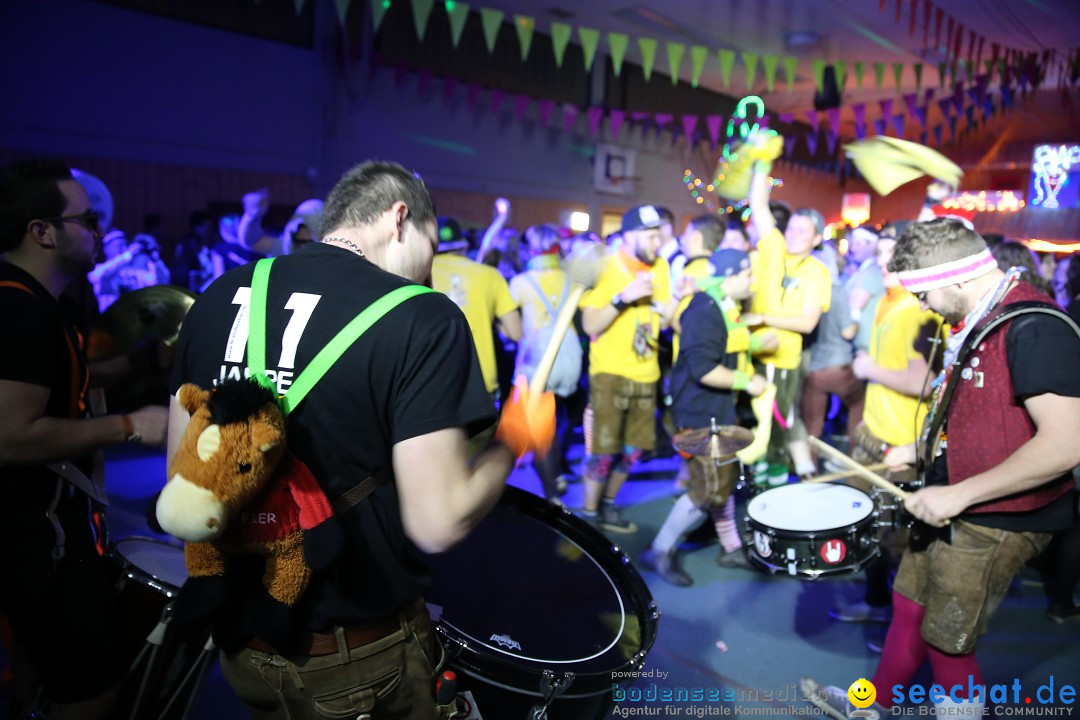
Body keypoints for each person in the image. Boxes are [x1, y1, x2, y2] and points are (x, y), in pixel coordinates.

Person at [167, 160, 548, 719]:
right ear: (399, 218)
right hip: (358, 655)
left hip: (242, 642)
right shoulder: (422, 315)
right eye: (432, 246)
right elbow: (438, 522)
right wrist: (515, 438)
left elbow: (180, 473)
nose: (431, 269)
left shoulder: (221, 293)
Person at [803, 218, 1080, 720]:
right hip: (953, 494)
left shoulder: (1034, 328)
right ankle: (871, 705)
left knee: (948, 638)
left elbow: (1067, 443)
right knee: (909, 607)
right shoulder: (978, 317)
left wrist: (960, 493)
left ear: (958, 279)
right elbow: (982, 412)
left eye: (925, 293)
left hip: (997, 516)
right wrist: (921, 447)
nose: (922, 306)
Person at [0, 158, 168, 720]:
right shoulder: (21, 311)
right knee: (90, 688)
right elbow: (11, 436)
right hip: (32, 542)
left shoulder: (38, 304)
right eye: (87, 219)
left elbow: (49, 379)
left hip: (40, 534)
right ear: (41, 231)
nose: (99, 230)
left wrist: (135, 364)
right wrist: (131, 424)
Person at [828, 231, 943, 633]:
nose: (882, 260)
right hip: (874, 436)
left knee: (893, 539)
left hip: (899, 447)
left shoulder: (919, 310)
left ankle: (899, 626)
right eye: (879, 253)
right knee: (869, 529)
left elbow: (925, 383)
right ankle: (877, 605)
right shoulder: (885, 302)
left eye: (892, 254)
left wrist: (869, 370)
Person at [638, 249, 769, 584]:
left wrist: (753, 343)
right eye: (747, 275)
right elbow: (703, 368)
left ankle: (731, 547)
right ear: (729, 277)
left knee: (721, 483)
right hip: (701, 413)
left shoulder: (721, 305)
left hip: (716, 409)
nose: (752, 282)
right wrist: (747, 382)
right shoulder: (705, 311)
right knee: (706, 490)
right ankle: (659, 550)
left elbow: (723, 347)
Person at [579, 205, 685, 533]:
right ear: (630, 235)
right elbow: (589, 324)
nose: (658, 241)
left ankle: (608, 507)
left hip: (647, 373)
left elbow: (665, 319)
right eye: (652, 235)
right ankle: (588, 514)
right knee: (603, 452)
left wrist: (678, 299)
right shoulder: (604, 268)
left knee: (632, 451)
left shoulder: (662, 268)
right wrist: (623, 298)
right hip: (609, 374)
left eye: (660, 235)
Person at [747, 144, 832, 484]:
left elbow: (808, 322)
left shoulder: (817, 271)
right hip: (755, 352)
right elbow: (757, 204)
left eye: (802, 231)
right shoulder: (773, 250)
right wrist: (762, 163)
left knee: (778, 423)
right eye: (791, 228)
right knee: (757, 420)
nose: (793, 235)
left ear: (817, 238)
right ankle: (761, 475)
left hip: (783, 361)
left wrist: (765, 319)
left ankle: (775, 482)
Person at [508, 223, 583, 504]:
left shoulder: (521, 282)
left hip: (538, 358)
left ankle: (552, 494)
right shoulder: (570, 278)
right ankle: (560, 471)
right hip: (570, 353)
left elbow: (509, 323)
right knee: (563, 416)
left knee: (541, 431)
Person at [431, 215, 522, 404]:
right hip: (480, 383)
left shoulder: (419, 274)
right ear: (463, 245)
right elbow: (516, 332)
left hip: (434, 384)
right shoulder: (489, 275)